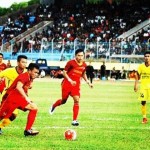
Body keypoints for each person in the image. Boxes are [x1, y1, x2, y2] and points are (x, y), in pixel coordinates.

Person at [49, 49, 93, 126]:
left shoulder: (84, 65)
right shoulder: (70, 63)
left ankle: (74, 120)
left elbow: (83, 74)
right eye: (78, 55)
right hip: (67, 84)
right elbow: (64, 73)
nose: (80, 57)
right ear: (75, 56)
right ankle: (54, 105)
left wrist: (88, 82)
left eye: (82, 55)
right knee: (63, 101)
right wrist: (70, 80)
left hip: (76, 85)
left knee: (76, 100)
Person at [0, 63, 39, 136]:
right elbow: (18, 87)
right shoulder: (24, 76)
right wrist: (27, 98)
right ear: (29, 71)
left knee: (34, 108)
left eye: (37, 73)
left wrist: (30, 85)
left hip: (20, 99)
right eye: (35, 72)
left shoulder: (30, 77)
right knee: (1, 115)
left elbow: (26, 86)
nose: (36, 74)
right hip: (12, 99)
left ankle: (27, 130)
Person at [0, 55, 27, 134]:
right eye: (23, 62)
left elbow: (29, 83)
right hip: (7, 96)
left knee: (13, 115)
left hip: (18, 97)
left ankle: (0, 127)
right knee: (3, 114)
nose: (24, 64)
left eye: (26, 62)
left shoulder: (26, 72)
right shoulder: (9, 71)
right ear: (18, 62)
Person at [134, 51, 150, 124]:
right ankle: (144, 118)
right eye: (145, 56)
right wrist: (136, 85)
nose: (147, 57)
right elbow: (137, 75)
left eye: (148, 56)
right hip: (143, 87)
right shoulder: (141, 66)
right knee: (143, 102)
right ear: (144, 57)